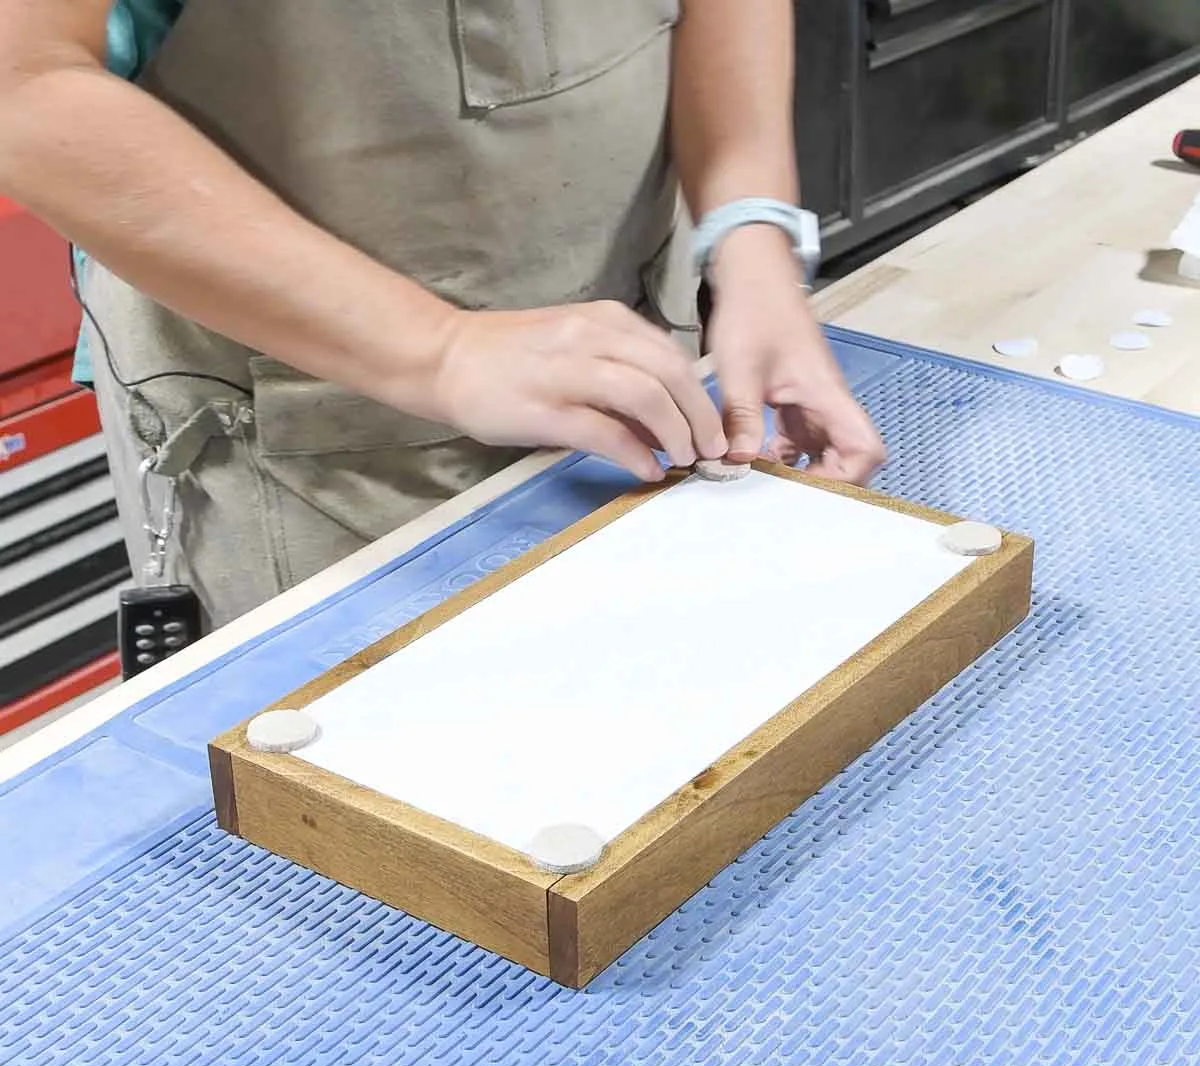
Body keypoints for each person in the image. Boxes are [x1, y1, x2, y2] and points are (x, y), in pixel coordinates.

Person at [0, 0, 886, 630]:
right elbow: (23, 82)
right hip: (321, 446)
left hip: (641, 368)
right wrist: (437, 350)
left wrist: (751, 235)